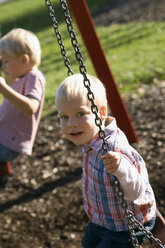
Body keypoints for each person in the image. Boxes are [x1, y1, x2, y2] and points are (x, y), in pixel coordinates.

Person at [56, 73, 157, 248]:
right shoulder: (90, 138)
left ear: (101, 113)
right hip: (101, 221)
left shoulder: (115, 150)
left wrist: (121, 168)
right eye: (64, 117)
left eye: (80, 113)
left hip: (126, 227)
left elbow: (136, 192)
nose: (71, 123)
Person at [0, 28, 45, 184]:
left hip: (9, 141)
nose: (3, 66)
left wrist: (4, 88)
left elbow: (30, 108)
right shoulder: (22, 79)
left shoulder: (34, 77)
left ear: (24, 60)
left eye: (6, 61)